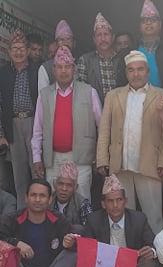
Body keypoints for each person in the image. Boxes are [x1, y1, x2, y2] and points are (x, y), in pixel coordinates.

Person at [97, 50, 163, 232]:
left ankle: (155, 249)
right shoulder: (113, 96)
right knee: (121, 215)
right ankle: (125, 250)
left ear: (148, 72)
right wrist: (102, 159)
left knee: (153, 215)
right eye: (131, 70)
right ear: (126, 72)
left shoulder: (162, 96)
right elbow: (104, 130)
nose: (136, 74)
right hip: (120, 165)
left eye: (140, 69)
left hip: (150, 165)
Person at [72, 175, 158, 267]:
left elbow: (153, 243)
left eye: (119, 200)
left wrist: (152, 251)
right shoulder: (94, 220)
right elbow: (87, 251)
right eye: (110, 201)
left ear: (125, 201)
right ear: (103, 204)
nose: (115, 205)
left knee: (149, 265)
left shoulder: (138, 219)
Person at [31, 46, 102, 196]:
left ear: (74, 69)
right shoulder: (44, 95)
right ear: (54, 70)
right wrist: (37, 158)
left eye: (67, 67)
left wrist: (100, 157)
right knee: (53, 200)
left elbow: (102, 127)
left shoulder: (89, 92)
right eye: (59, 67)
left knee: (82, 200)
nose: (63, 71)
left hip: (81, 159)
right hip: (53, 160)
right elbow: (37, 130)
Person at [0, 31, 38, 205]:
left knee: (37, 170)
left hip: (34, 122)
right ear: (8, 51)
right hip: (13, 125)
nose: (18, 52)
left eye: (21, 48)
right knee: (19, 174)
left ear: (28, 51)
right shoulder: (2, 73)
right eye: (14, 48)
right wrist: (1, 134)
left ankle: (41, 210)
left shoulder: (37, 70)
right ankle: (21, 211)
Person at [77, 12, 127, 103]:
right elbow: (81, 92)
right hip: (95, 110)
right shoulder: (85, 61)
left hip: (120, 109)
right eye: (99, 35)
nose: (103, 39)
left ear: (113, 37)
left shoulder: (122, 59)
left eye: (106, 34)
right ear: (94, 39)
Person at [136, 0, 163, 91]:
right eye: (144, 20)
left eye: (153, 20)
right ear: (139, 26)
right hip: (137, 98)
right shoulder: (131, 51)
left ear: (160, 25)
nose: (148, 23)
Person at [51, 160, 93, 229]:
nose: (64, 189)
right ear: (54, 184)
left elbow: (89, 230)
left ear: (76, 187)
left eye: (69, 185)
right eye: (61, 184)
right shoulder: (47, 200)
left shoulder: (82, 203)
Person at [38, 20, 75, 91]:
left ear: (73, 42)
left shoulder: (78, 65)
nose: (65, 42)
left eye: (68, 39)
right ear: (56, 43)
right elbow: (43, 95)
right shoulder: (45, 68)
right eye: (61, 39)